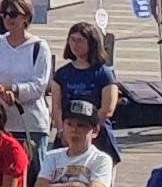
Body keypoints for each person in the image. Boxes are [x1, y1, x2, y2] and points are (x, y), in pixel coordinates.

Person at [0, 0, 53, 160]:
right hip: (0, 123)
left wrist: (13, 89)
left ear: (26, 17)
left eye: (13, 14)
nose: (7, 18)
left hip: (31, 124)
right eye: (4, 13)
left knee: (31, 177)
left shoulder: (39, 47)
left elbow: (38, 86)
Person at [49, 22, 121, 156]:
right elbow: (56, 107)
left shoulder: (103, 73)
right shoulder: (62, 73)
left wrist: (86, 128)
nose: (75, 45)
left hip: (98, 137)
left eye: (80, 41)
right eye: (72, 40)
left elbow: (108, 109)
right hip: (67, 137)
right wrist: (62, 131)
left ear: (91, 43)